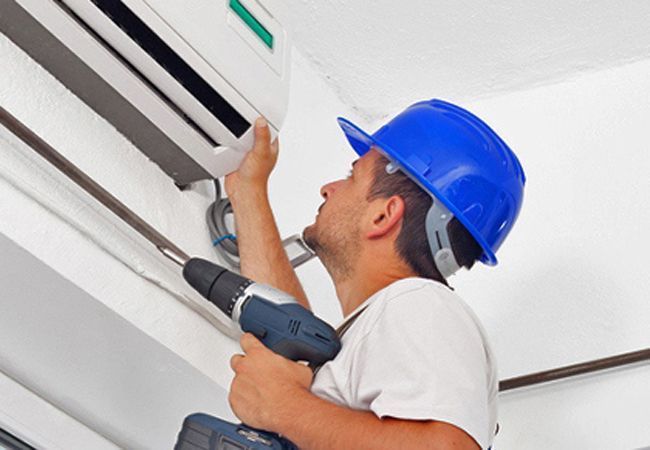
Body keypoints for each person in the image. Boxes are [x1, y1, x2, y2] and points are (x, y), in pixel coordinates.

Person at [224, 99, 525, 450]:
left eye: (352, 176)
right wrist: (248, 188)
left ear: (383, 215)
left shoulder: (421, 304)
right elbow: (288, 328)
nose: (328, 188)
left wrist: (285, 407)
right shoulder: (384, 323)